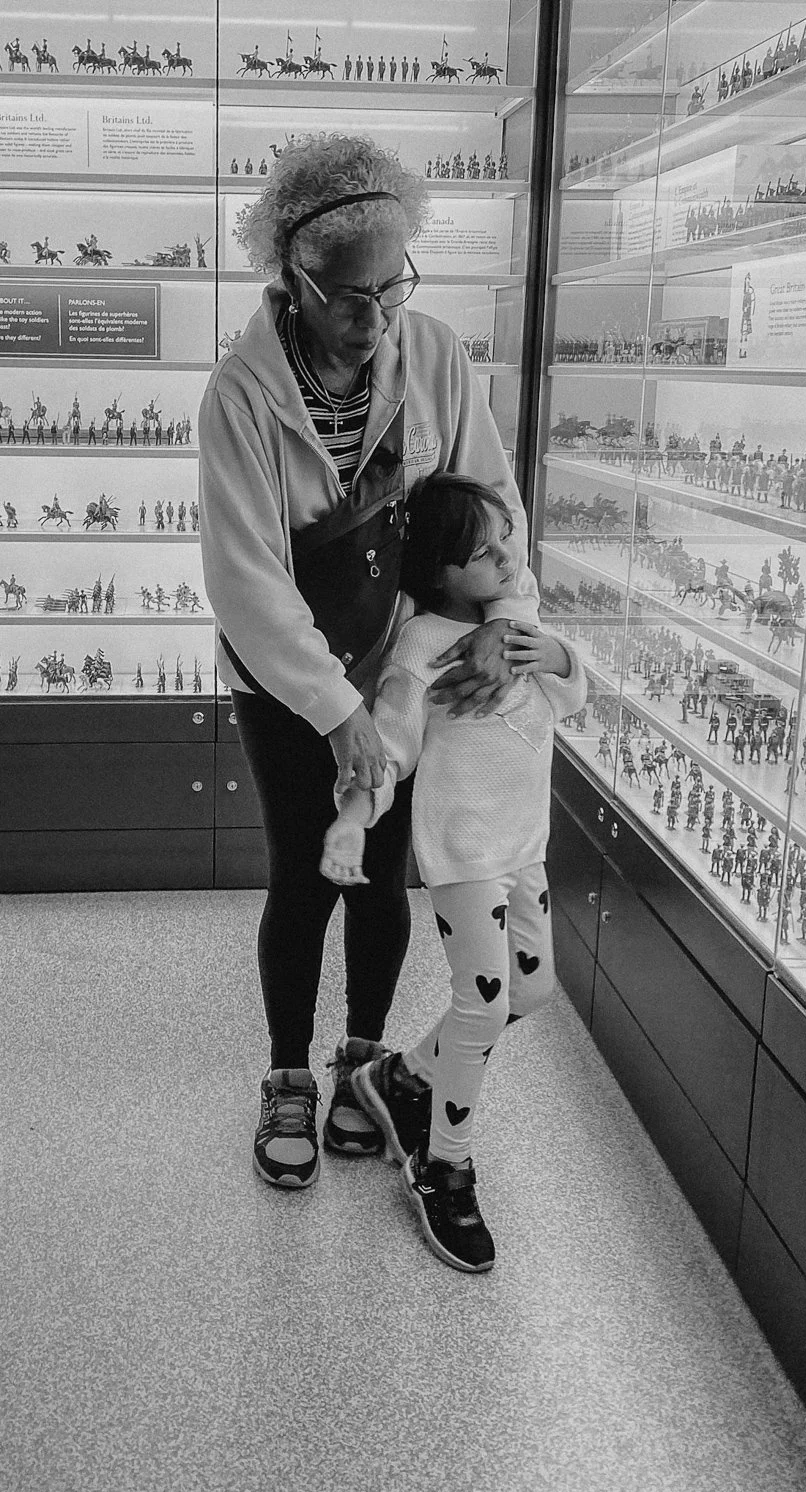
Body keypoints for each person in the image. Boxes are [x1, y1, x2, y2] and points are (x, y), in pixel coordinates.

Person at [197, 135, 542, 1192]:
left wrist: (503, 616)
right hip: (287, 674)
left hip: (400, 669)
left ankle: (362, 1062)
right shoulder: (241, 397)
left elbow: (493, 506)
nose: (377, 315)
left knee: (382, 873)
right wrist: (335, 712)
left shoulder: (433, 354)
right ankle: (287, 1075)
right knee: (307, 870)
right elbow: (247, 581)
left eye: (394, 287)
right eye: (349, 295)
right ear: (289, 278)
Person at [320, 474, 585, 1271]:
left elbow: (570, 701)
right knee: (484, 1000)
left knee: (531, 990)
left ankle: (400, 1077)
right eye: (483, 551)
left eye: (508, 534)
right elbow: (391, 746)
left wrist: (562, 654)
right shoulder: (420, 646)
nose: (508, 557)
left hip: (523, 850)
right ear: (438, 572)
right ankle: (444, 1166)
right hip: (464, 861)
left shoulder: (523, 624)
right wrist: (352, 818)